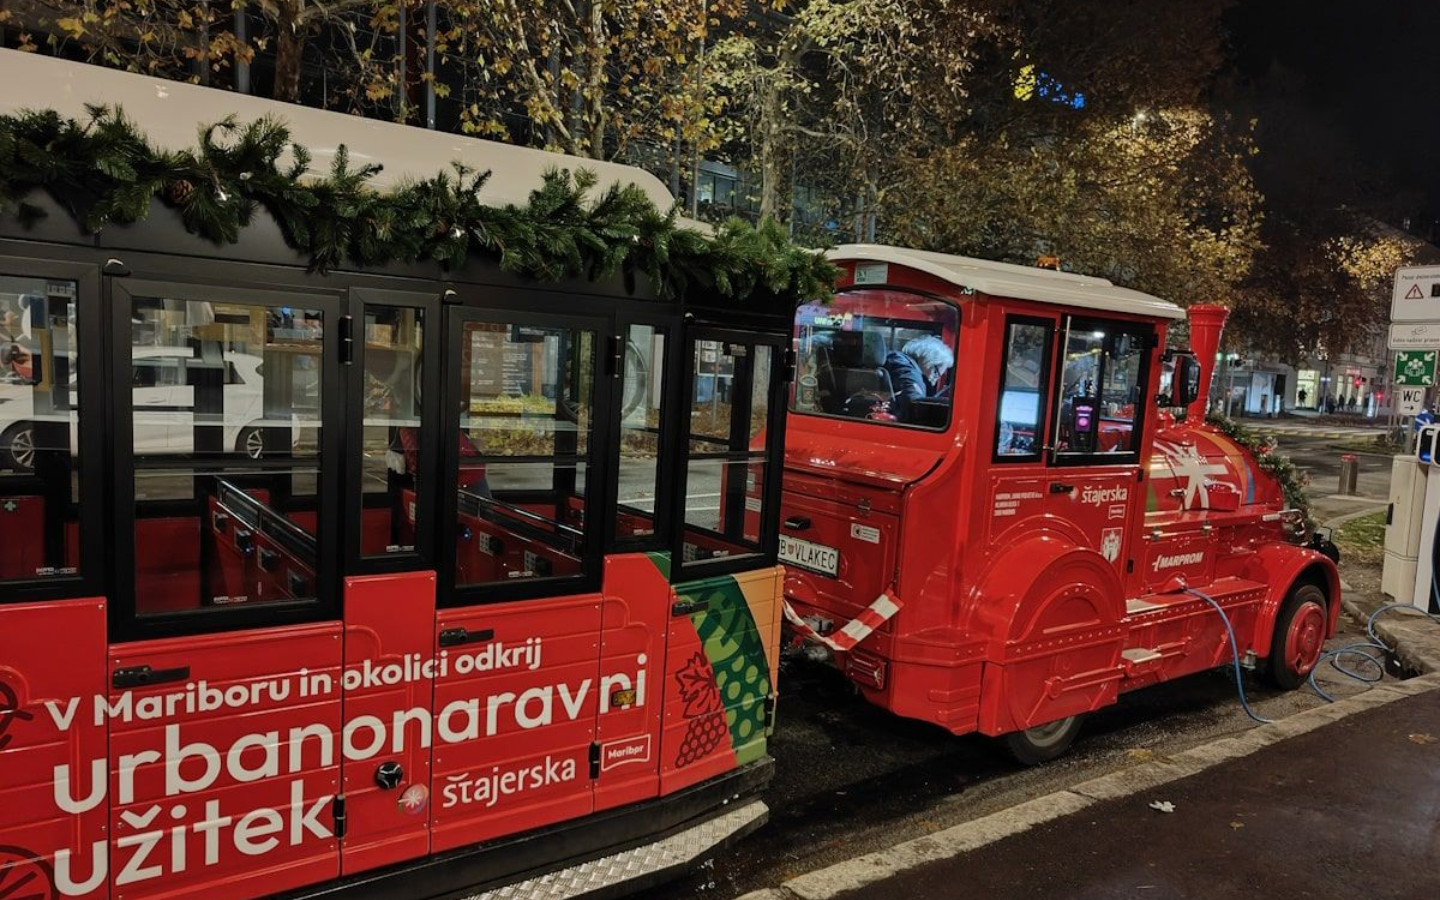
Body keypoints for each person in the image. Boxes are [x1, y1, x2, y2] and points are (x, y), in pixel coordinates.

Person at [882, 335, 954, 422]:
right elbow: (914, 403)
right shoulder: (907, 369)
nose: (934, 382)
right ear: (928, 360)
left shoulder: (899, 361)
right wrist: (946, 404)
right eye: (935, 373)